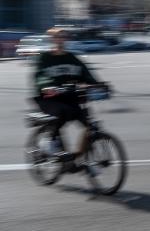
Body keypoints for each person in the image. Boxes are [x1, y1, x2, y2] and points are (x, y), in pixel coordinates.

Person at [33, 28, 100, 168]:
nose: (61, 40)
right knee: (60, 113)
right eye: (57, 37)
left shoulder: (71, 58)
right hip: (48, 98)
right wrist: (46, 86)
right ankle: (50, 143)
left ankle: (77, 157)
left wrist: (97, 84)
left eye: (64, 37)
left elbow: (85, 73)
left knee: (89, 125)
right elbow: (40, 76)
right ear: (52, 39)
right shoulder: (45, 58)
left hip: (69, 97)